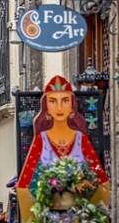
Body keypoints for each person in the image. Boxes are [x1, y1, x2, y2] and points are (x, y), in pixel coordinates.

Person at [16, 76, 109, 222]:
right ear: (46, 107)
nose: (59, 107)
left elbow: (101, 182)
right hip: (49, 214)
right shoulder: (41, 139)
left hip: (78, 215)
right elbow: (24, 184)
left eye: (65, 101)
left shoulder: (81, 139)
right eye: (53, 101)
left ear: (72, 105)